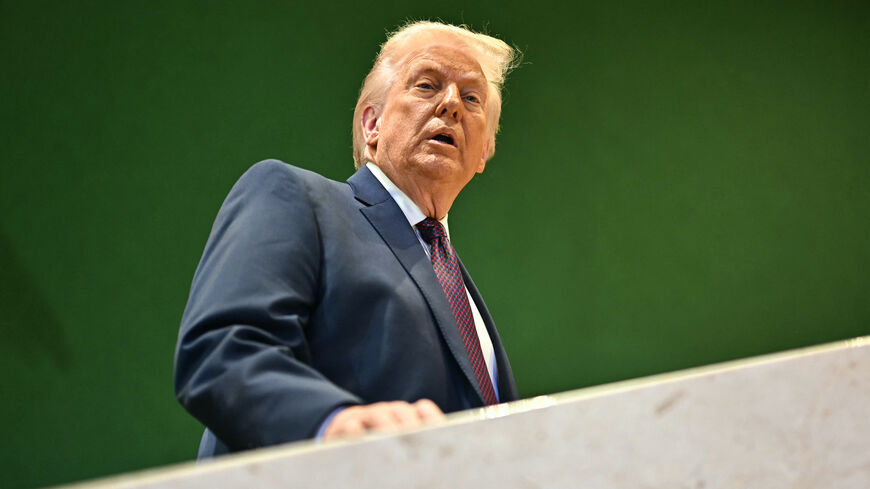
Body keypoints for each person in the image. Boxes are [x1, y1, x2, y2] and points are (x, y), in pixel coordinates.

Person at [174, 21, 520, 458]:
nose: (451, 104)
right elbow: (223, 353)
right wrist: (331, 422)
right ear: (371, 122)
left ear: (485, 150)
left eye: (472, 98)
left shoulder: (457, 284)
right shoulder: (295, 197)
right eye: (428, 85)